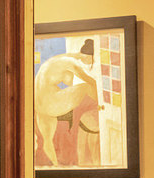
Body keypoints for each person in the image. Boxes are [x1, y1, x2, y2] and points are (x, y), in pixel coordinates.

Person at [33, 38, 103, 167]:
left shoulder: (57, 60)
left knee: (47, 139)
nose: (90, 63)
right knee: (86, 86)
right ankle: (102, 107)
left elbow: (65, 79)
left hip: (38, 104)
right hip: (51, 102)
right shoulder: (72, 63)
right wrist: (99, 97)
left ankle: (55, 165)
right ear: (88, 56)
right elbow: (90, 81)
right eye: (91, 60)